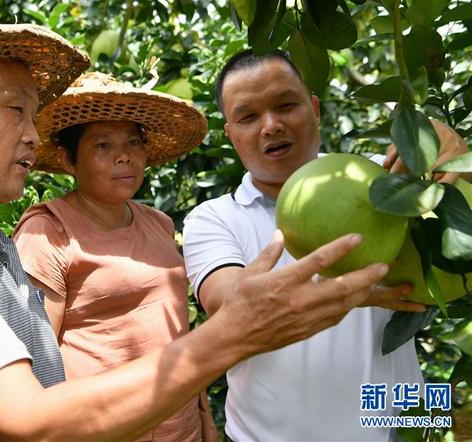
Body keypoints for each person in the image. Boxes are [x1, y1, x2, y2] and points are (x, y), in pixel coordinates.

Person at [0, 15, 410, 440]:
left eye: (35, 116)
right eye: (16, 110)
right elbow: (28, 422)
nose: (34, 135)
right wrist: (236, 331)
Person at [182, 49, 470, 441]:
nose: (271, 125)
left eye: (286, 105)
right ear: (231, 133)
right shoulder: (214, 218)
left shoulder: (388, 181)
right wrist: (341, 291)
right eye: (248, 116)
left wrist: (455, 155)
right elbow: (230, 304)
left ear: (314, 109)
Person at [11, 72, 216, 441]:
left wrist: (204, 420)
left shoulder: (159, 224)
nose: (124, 157)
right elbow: (35, 362)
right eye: (102, 146)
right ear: (68, 159)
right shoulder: (49, 232)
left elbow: (176, 330)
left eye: (133, 142)